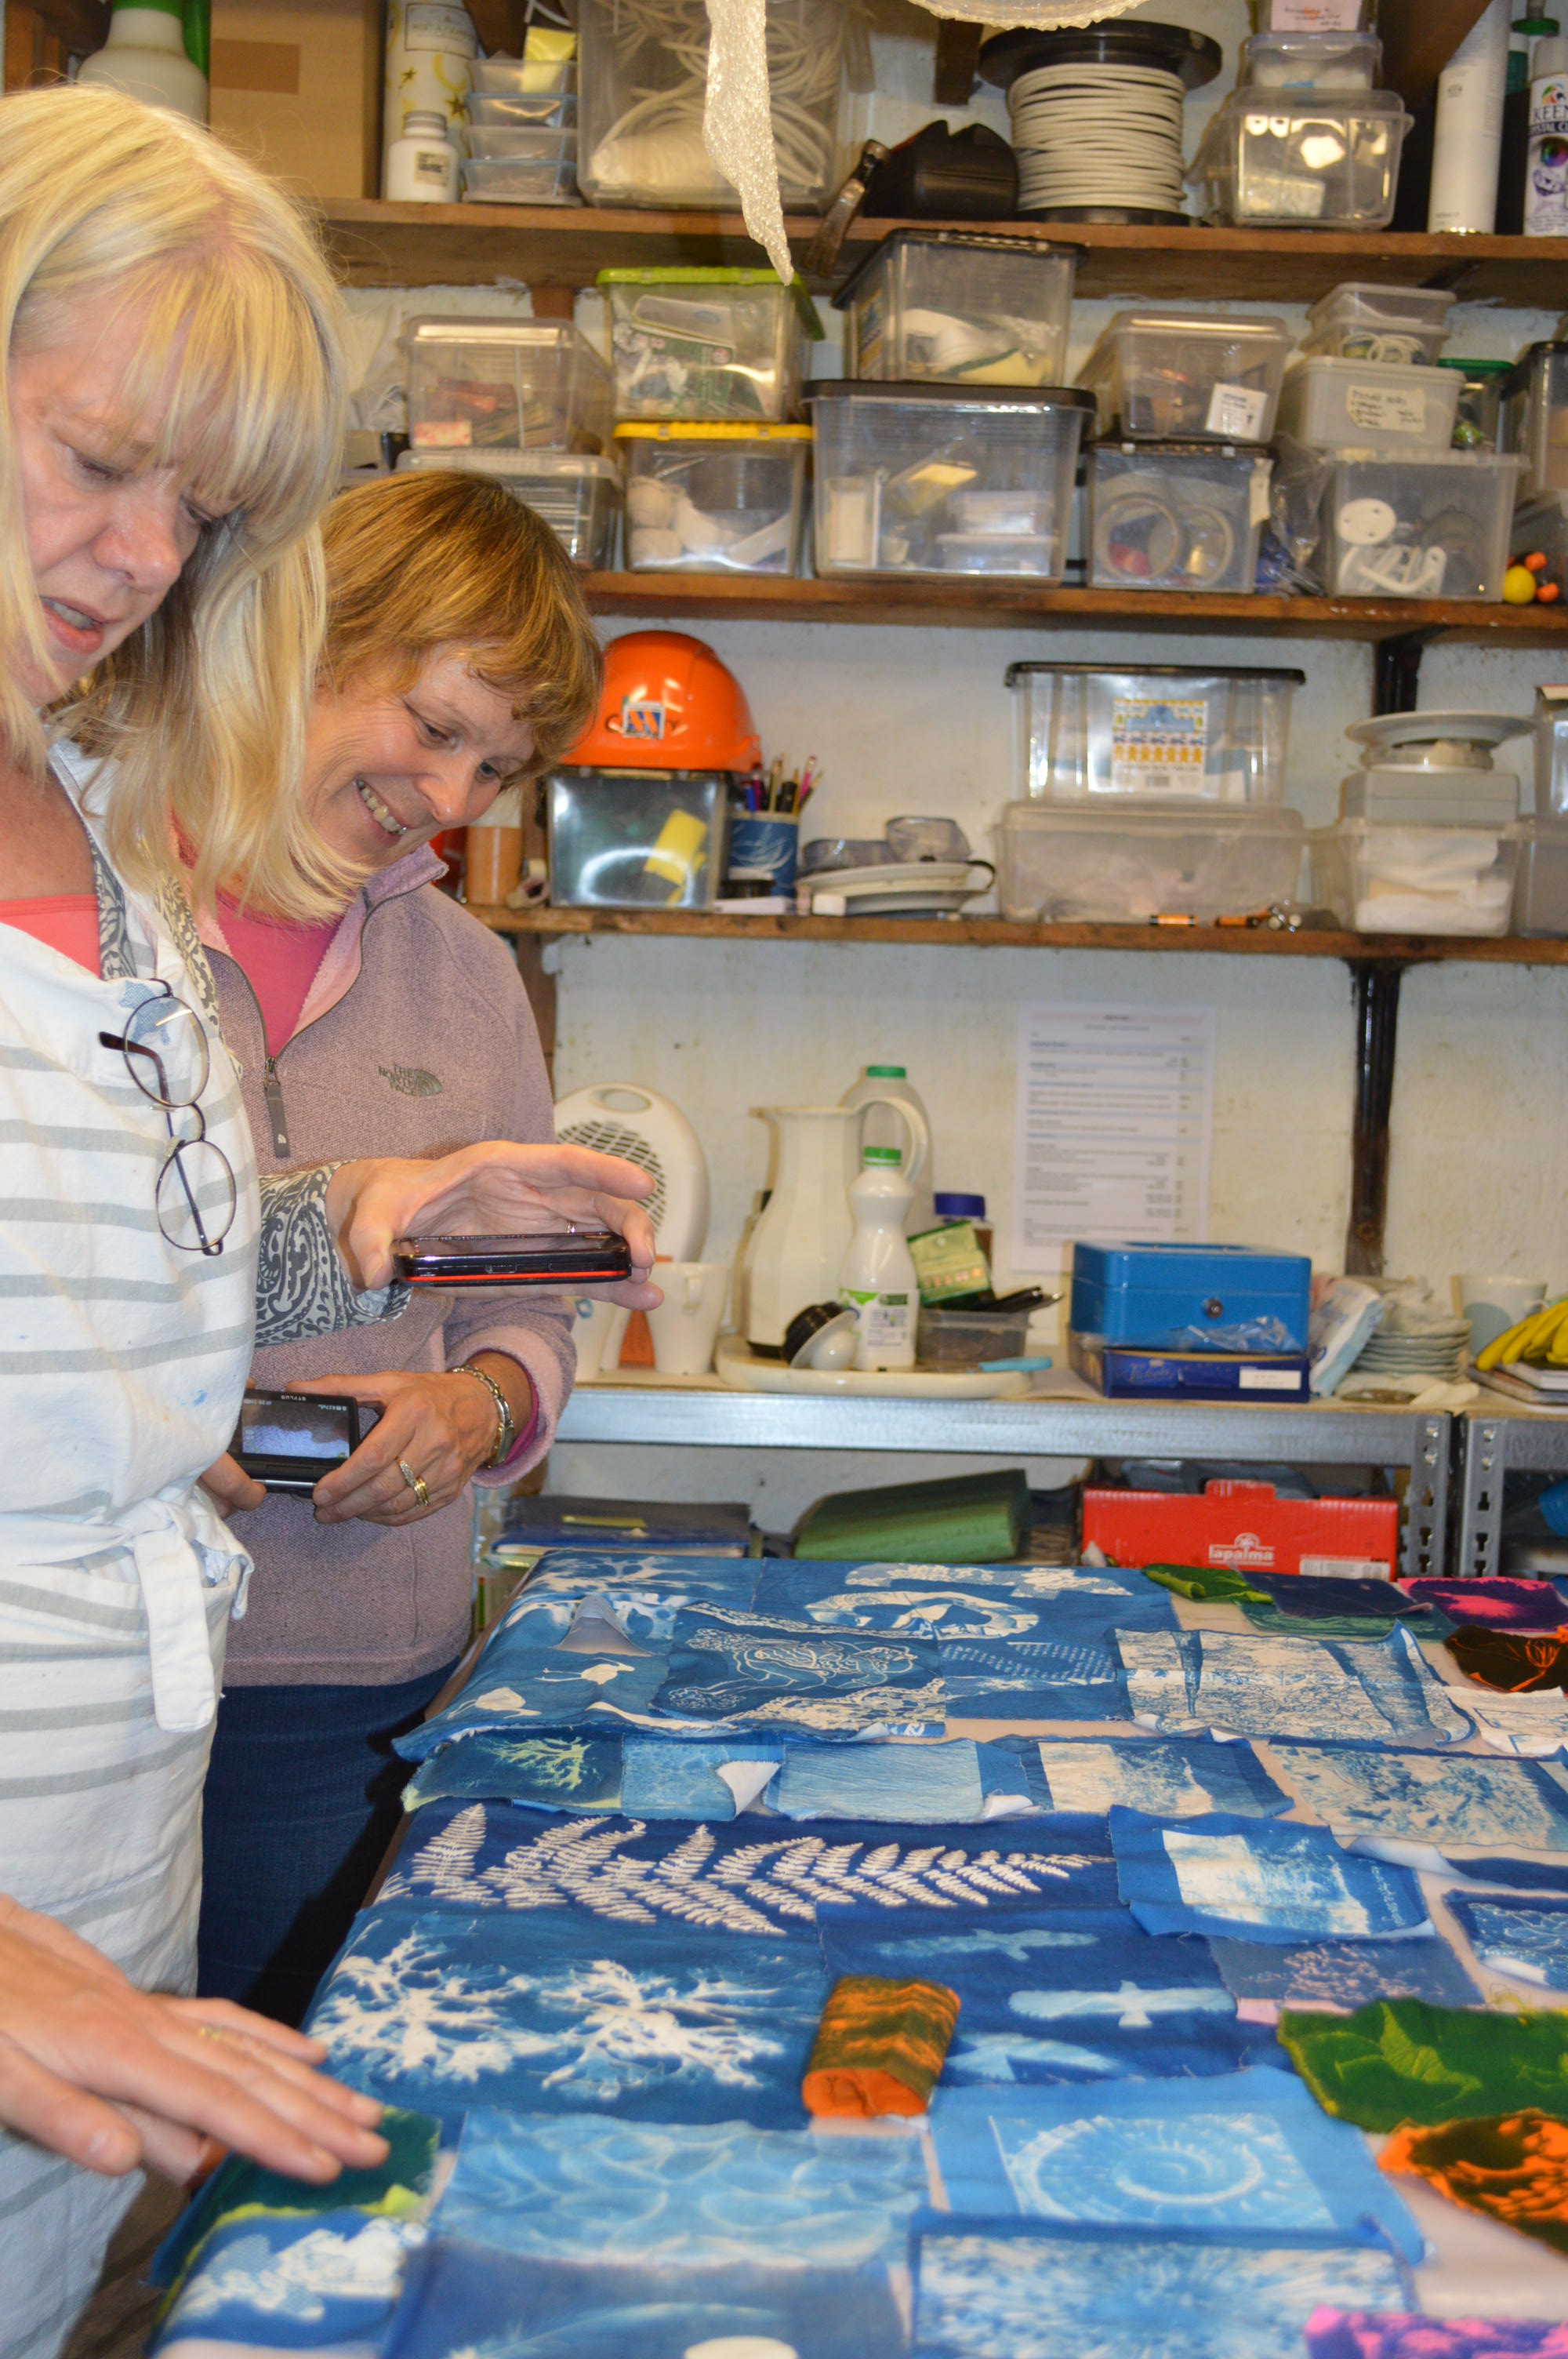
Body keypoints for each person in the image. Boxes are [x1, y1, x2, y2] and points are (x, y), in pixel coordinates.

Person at [0, 87, 656, 2356]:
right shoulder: (123, 853)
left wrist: (383, 1244)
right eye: (100, 461)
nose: (139, 559)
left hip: (138, 1821)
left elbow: (123, 1287)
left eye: (201, 511)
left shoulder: (103, 853)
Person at [194, 470, 600, 2023]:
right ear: (308, 634)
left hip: (354, 1672)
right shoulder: (76, 913)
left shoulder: (472, 977)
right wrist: (139, 1426)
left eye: (495, 766)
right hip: (70, 1658)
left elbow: (538, 1308)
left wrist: (482, 1407)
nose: (450, 797)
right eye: (434, 727)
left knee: (293, 2103)